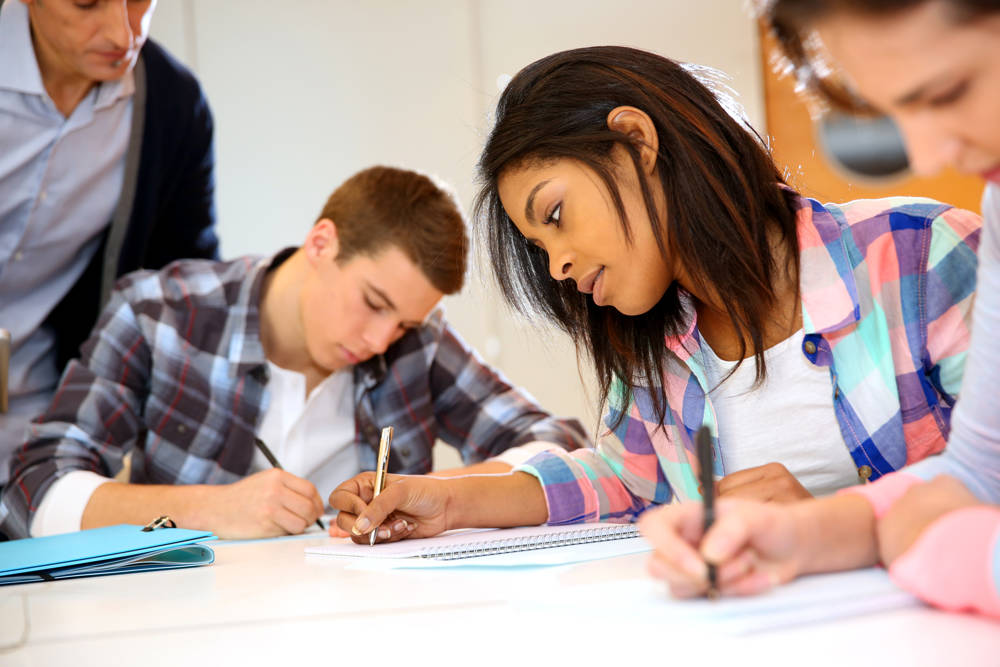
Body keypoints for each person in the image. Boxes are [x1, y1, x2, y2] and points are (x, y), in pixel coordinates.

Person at [328, 46, 981, 546]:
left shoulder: (925, 256)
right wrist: (450, 500)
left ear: (636, 141)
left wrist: (833, 527)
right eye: (538, 246)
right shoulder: (653, 351)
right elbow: (620, 477)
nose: (556, 265)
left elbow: (987, 477)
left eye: (554, 214)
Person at [641, 0, 1000, 618]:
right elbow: (977, 474)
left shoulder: (924, 246)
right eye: (892, 112)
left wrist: (954, 551)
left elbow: (956, 517)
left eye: (947, 92)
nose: (930, 152)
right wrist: (799, 537)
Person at [0, 166, 588, 540]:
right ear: (321, 242)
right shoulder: (156, 315)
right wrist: (212, 510)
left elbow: (558, 447)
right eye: (373, 302)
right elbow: (33, 492)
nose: (381, 340)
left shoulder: (418, 343)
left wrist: (434, 496)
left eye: (405, 321)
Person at [0, 0, 219, 493]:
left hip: (40, 439)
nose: (125, 33)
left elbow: (185, 288)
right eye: (87, 3)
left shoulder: (171, 104)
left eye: (141, 1)